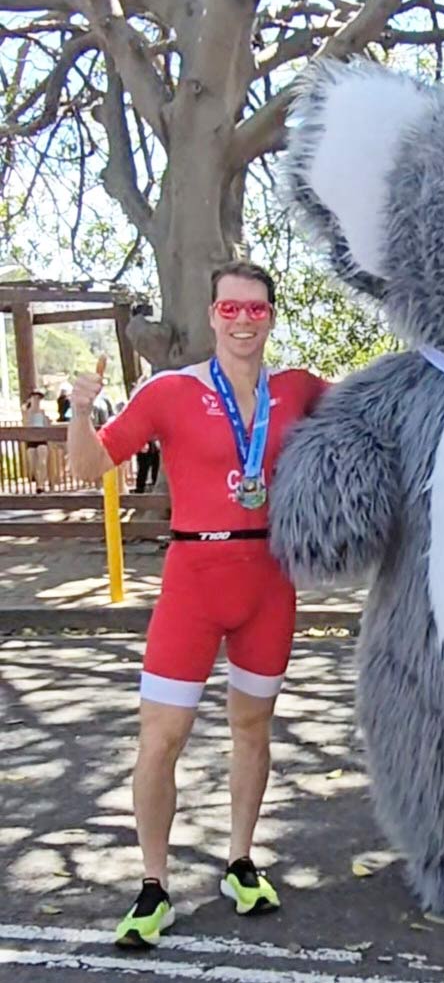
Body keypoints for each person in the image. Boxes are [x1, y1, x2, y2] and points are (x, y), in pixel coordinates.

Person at [67, 260, 328, 948]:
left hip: (270, 578)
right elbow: (91, 467)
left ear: (271, 316)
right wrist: (83, 410)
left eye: (256, 310)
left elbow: (377, 422)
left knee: (253, 730)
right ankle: (153, 885)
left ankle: (241, 861)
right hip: (194, 577)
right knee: (162, 739)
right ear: (212, 315)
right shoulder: (171, 391)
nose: (243, 320)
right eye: (230, 309)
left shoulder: (298, 390)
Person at [22, 388, 51, 493]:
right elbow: (25, 424)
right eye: (34, 397)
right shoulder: (27, 412)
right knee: (33, 463)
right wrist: (27, 409)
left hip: (42, 438)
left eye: (38, 398)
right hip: (31, 439)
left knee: (42, 462)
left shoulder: (43, 413)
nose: (36, 400)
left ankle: (41, 485)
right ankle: (38, 480)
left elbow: (47, 425)